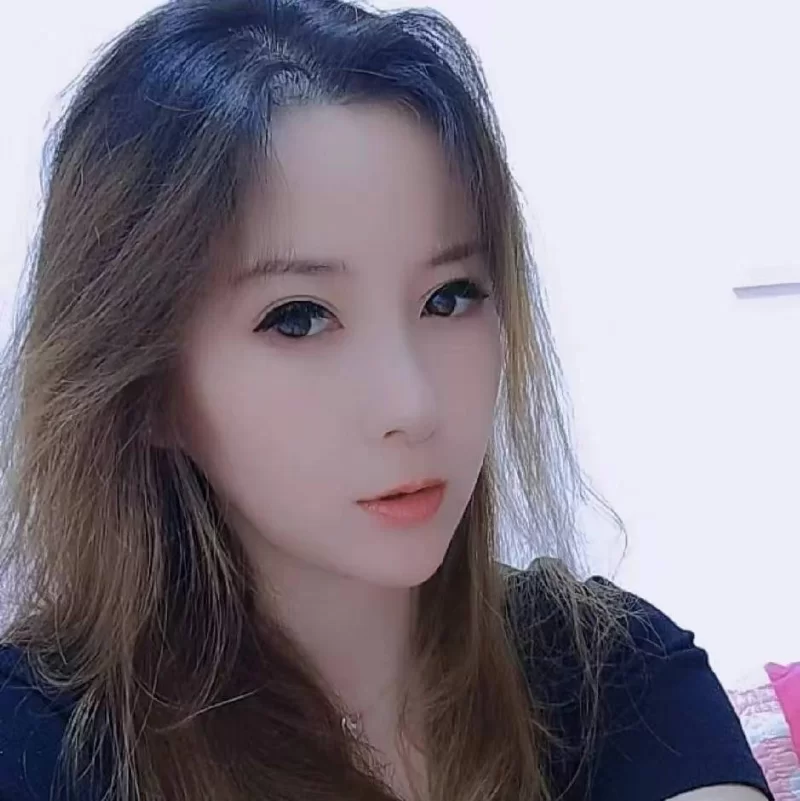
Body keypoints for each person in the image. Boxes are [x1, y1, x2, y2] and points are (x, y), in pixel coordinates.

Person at [0, 1, 772, 800]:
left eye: (449, 297)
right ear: (146, 382)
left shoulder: (610, 676)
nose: (412, 403)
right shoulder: (39, 742)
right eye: (299, 317)